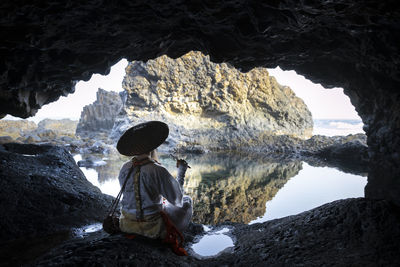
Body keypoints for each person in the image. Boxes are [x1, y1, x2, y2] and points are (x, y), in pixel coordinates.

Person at [115, 121, 192, 254]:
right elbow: (177, 200)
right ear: (153, 147)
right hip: (152, 228)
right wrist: (181, 172)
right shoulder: (157, 170)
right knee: (187, 201)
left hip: (126, 224)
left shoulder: (124, 167)